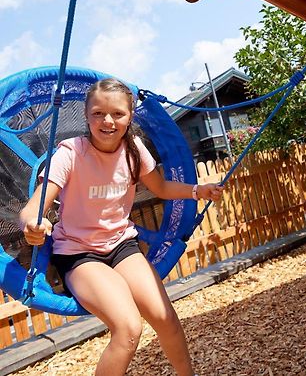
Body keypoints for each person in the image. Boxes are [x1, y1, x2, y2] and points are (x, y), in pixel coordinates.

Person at [19, 78, 223, 376]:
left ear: (129, 117)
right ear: (86, 116)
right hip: (80, 253)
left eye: (117, 113)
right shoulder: (70, 153)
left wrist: (197, 190)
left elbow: (162, 188)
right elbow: (32, 209)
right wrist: (33, 224)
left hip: (122, 246)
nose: (108, 121)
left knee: (165, 317)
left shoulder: (134, 150)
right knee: (128, 328)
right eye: (98, 113)